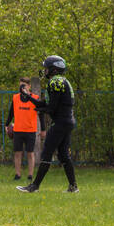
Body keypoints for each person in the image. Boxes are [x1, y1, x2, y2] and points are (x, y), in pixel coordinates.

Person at [15, 56, 78, 194]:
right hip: (67, 122)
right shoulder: (63, 81)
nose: (45, 71)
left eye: (47, 68)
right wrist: (29, 97)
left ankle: (34, 186)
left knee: (46, 153)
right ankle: (73, 187)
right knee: (64, 155)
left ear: (53, 69)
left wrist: (41, 110)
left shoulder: (55, 82)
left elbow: (51, 108)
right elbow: (46, 104)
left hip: (60, 123)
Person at [6, 74, 38, 182]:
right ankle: (18, 174)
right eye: (20, 86)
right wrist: (7, 125)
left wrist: (43, 129)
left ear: (29, 86)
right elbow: (11, 112)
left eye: (24, 85)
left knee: (30, 153)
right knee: (17, 153)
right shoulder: (15, 98)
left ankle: (30, 175)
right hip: (18, 130)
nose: (22, 88)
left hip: (30, 130)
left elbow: (41, 114)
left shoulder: (35, 98)